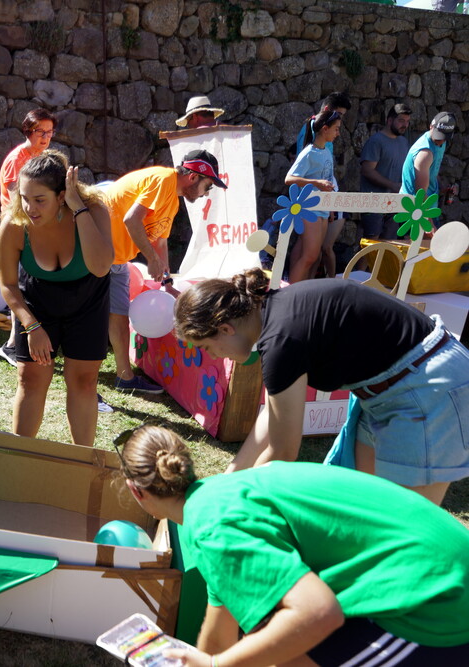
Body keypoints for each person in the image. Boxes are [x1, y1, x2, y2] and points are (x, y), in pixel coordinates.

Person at [117, 425, 469, 667]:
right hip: (427, 564)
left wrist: (216, 665)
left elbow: (318, 613)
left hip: (435, 597)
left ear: (136, 491)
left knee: (291, 643)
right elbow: (220, 630)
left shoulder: (212, 527)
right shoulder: (216, 499)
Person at [174, 267, 469, 505]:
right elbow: (274, 418)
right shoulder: (275, 314)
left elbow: (283, 452)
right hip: (390, 387)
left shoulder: (280, 341)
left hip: (428, 386)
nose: (211, 355)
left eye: (206, 346)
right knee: (358, 504)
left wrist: (229, 500)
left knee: (400, 520)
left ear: (225, 329)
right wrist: (231, 476)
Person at [0, 151, 114, 446]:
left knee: (84, 382)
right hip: (37, 301)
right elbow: (8, 285)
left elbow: (101, 267)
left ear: (62, 195)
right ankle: (20, 456)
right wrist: (32, 327)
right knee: (31, 378)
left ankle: (82, 460)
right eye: (24, 197)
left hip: (89, 299)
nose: (29, 207)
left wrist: (78, 208)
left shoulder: (94, 209)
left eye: (40, 200)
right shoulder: (14, 224)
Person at [105, 150, 227, 394]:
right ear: (193, 177)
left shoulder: (172, 198)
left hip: (115, 259)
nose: (206, 194)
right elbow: (131, 220)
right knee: (85, 316)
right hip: (96, 252)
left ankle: (124, 378)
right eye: (208, 186)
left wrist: (168, 283)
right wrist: (150, 259)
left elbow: (160, 242)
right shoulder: (163, 180)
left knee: (118, 315)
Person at [0, 108, 57, 367]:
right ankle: (12, 344)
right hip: (18, 231)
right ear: (28, 131)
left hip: (34, 229)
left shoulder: (41, 157)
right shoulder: (18, 158)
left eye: (49, 132)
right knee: (19, 286)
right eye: (40, 132)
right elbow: (15, 199)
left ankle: (14, 342)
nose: (45, 137)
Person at [284, 108, 342, 282]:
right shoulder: (308, 152)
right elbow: (289, 178)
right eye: (336, 128)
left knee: (314, 257)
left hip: (323, 209)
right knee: (309, 256)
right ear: (325, 129)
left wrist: (330, 207)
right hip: (310, 209)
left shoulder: (326, 152)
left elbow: (327, 181)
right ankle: (290, 293)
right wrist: (316, 184)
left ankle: (302, 293)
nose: (338, 133)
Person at [359, 103, 412, 240]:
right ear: (389, 120)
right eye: (401, 120)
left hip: (394, 203)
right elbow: (367, 170)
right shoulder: (376, 141)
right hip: (374, 202)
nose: (404, 125)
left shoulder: (404, 142)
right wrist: (392, 185)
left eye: (407, 121)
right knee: (370, 246)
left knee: (389, 245)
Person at [401, 111, 457, 229]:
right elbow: (420, 194)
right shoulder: (425, 153)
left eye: (444, 138)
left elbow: (432, 172)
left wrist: (443, 188)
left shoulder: (440, 144)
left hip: (429, 209)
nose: (440, 141)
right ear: (431, 126)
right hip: (414, 213)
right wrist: (429, 226)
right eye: (438, 136)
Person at [295, 90, 351, 156]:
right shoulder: (308, 132)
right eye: (338, 114)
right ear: (326, 109)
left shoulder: (327, 130)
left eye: (342, 115)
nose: (340, 119)